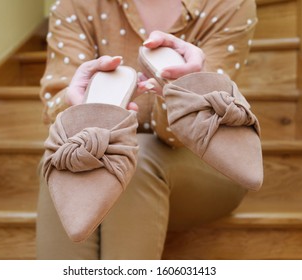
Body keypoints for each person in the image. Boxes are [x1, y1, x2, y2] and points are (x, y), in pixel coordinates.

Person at [37, 0, 258, 259]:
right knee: (63, 160)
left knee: (134, 159)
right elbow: (58, 106)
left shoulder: (228, 4)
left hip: (207, 165)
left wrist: (180, 90)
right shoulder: (76, 5)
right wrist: (79, 105)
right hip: (110, 166)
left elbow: (192, 134)